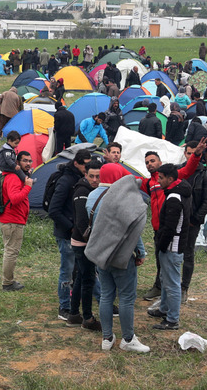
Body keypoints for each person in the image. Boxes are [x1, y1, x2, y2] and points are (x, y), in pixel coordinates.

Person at [87, 174, 150, 353]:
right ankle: (128, 339)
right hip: (122, 257)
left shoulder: (105, 198)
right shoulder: (130, 202)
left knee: (106, 295)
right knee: (126, 298)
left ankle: (107, 338)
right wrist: (140, 252)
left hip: (102, 255)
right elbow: (134, 231)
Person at [140, 138, 207, 301]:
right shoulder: (148, 183)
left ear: (160, 161)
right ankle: (159, 287)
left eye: (153, 160)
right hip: (157, 228)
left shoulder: (170, 178)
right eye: (147, 162)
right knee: (160, 259)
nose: (150, 164)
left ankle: (177, 292)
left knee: (176, 260)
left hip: (173, 228)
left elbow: (188, 170)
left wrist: (196, 155)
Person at [145, 163, 193, 331]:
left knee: (172, 283)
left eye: (161, 178)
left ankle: (172, 319)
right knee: (166, 279)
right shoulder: (179, 191)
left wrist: (161, 246)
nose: (158, 180)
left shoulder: (174, 198)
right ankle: (164, 308)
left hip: (172, 246)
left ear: (170, 179)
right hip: (174, 245)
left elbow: (170, 228)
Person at [47, 149, 92, 320]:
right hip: (66, 234)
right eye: (85, 165)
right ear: (77, 163)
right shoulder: (66, 181)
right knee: (66, 270)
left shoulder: (79, 179)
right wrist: (71, 227)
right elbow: (53, 210)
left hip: (77, 234)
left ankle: (85, 300)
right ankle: (64, 306)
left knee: (83, 270)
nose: (87, 169)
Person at [66, 159, 103, 331]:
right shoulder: (82, 192)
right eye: (92, 176)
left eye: (98, 176)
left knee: (81, 277)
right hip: (83, 243)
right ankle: (87, 318)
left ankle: (74, 314)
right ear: (85, 174)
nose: (95, 179)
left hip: (81, 241)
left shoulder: (89, 190)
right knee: (88, 279)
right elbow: (81, 223)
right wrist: (92, 242)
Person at [179, 140, 207, 303]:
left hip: (192, 221)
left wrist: (195, 220)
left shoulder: (206, 176)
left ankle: (184, 287)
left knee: (188, 253)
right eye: (188, 153)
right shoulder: (179, 171)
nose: (191, 156)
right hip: (176, 219)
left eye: (194, 153)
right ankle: (164, 285)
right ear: (184, 154)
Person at [0, 150, 34, 291]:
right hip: (12, 220)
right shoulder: (13, 177)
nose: (28, 163)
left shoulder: (18, 176)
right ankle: (7, 283)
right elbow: (14, 198)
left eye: (30, 161)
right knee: (11, 252)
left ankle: (8, 281)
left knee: (10, 250)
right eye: (25, 160)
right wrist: (28, 187)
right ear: (17, 162)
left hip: (13, 219)